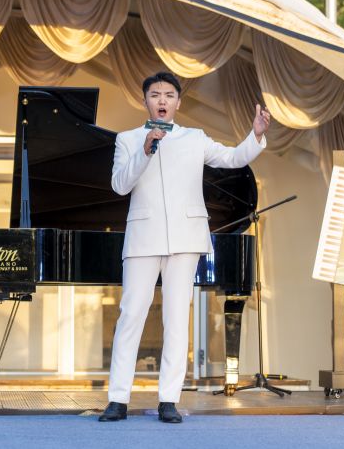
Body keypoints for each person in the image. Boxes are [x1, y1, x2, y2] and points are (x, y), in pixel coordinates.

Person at [99, 71, 270, 423]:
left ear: (178, 101)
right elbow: (119, 185)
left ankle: (169, 399)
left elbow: (233, 158)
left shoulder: (195, 138)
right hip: (143, 237)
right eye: (155, 95)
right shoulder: (128, 139)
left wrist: (255, 135)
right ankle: (117, 399)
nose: (162, 100)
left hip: (186, 237)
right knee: (131, 315)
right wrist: (145, 151)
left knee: (176, 319)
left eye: (168, 95)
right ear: (145, 100)